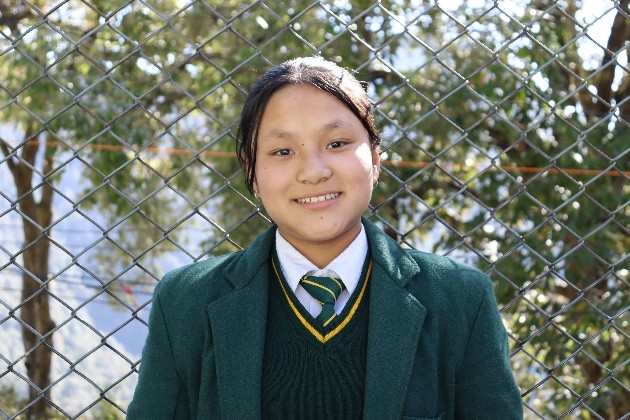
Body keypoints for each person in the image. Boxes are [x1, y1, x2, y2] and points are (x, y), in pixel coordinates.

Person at [127, 56, 523, 419]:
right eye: (283, 151)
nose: (314, 171)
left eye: (336, 144)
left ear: (375, 158)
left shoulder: (460, 299)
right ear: (252, 173)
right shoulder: (185, 302)